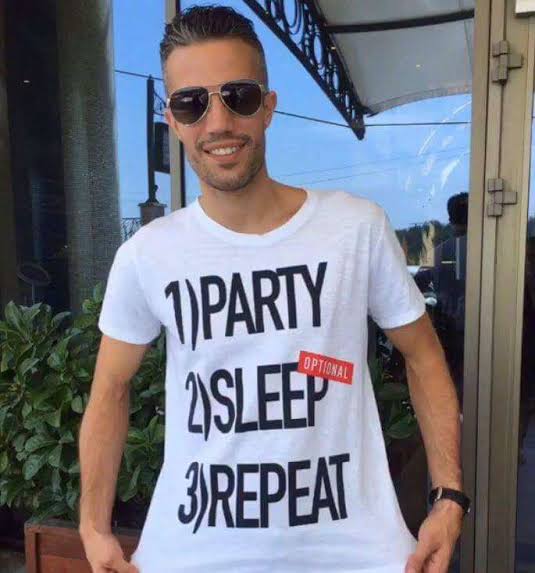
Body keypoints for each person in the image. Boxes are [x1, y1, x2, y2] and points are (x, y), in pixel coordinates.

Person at [78, 5, 469, 573]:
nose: (217, 122)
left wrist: (449, 497)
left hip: (351, 555)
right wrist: (92, 527)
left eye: (237, 96)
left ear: (267, 107)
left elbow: (424, 356)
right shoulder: (147, 254)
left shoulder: (354, 227)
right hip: (191, 555)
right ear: (174, 120)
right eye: (191, 103)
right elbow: (110, 389)